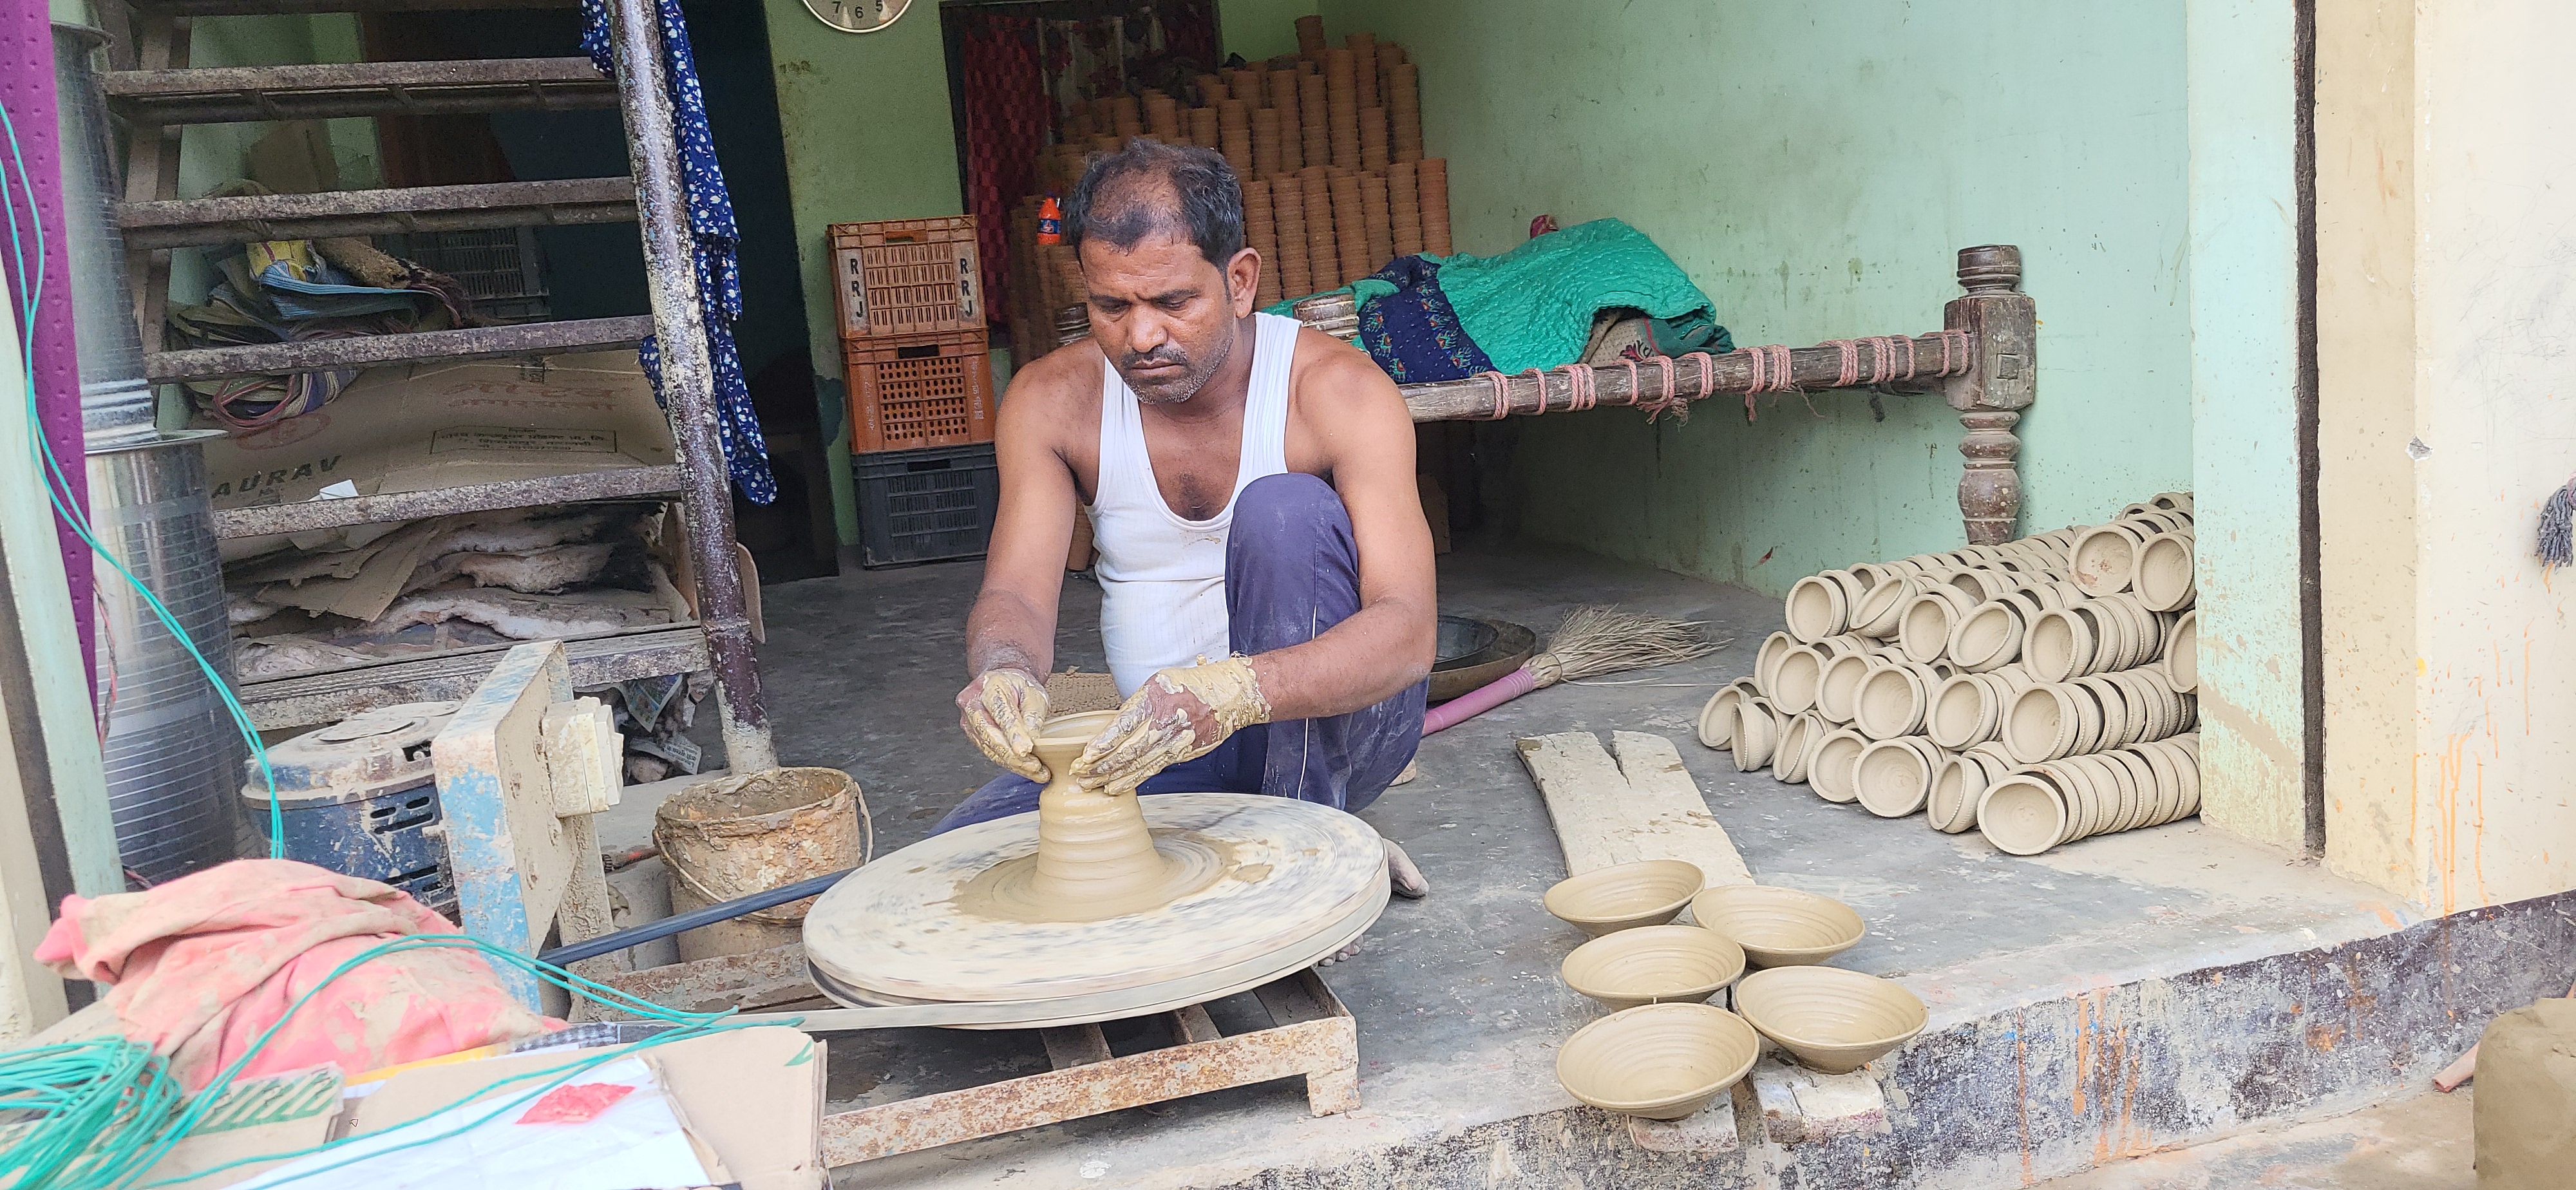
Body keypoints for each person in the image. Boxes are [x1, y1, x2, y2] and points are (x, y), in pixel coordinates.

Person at [945, 138, 1435, 903]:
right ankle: (1290, 831)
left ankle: (1310, 831)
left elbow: (1407, 634)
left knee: (1285, 510)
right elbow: (1018, 593)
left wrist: (1232, 691)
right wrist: (1004, 666)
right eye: (1112, 307)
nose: (1141, 337)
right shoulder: (1050, 400)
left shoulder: (1336, 390)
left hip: (1341, 735)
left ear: (1239, 282)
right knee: (957, 869)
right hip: (1162, 748)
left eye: (1172, 303)